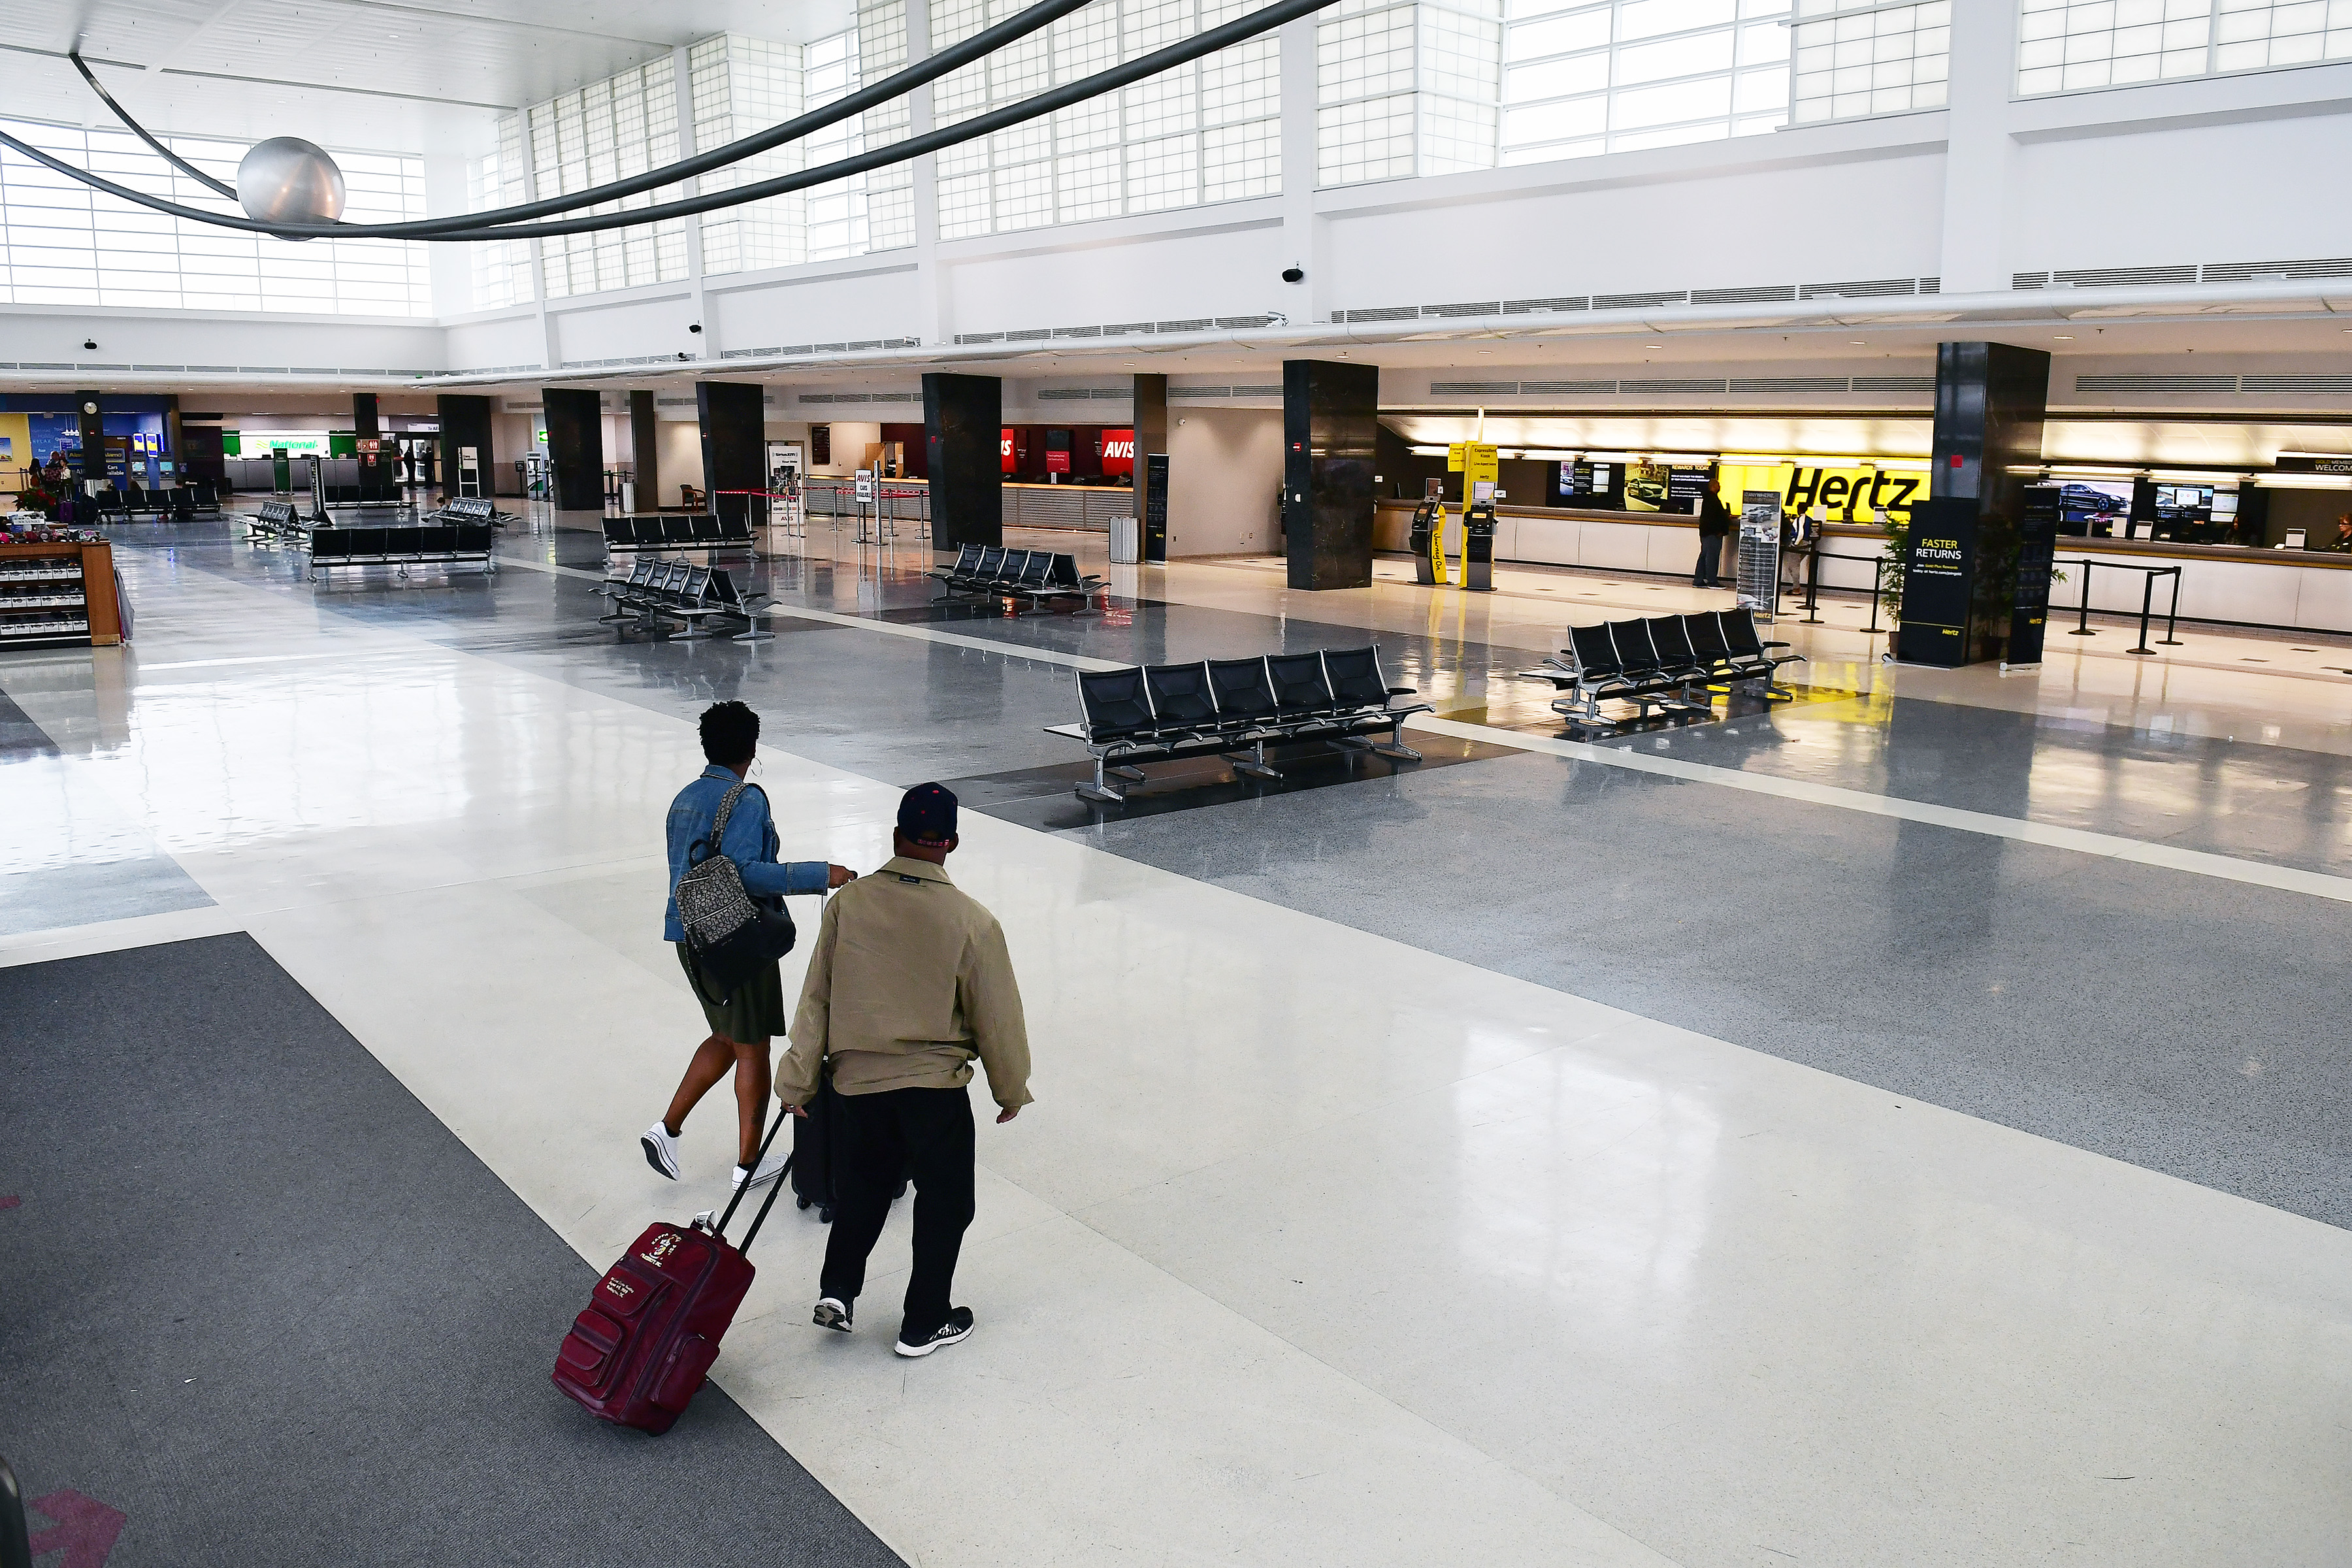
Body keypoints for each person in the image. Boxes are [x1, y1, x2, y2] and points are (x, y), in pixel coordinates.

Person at [779, 782, 1032, 1359]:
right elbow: (997, 1016)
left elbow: (816, 997)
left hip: (858, 1085)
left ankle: (838, 1291)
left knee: (865, 1184)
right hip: (933, 1086)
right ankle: (923, 1321)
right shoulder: (972, 921)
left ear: (895, 837)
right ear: (951, 843)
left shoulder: (850, 903)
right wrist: (1009, 1086)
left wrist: (796, 1080)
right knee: (946, 1200)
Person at [642, 701, 855, 1192]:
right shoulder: (746, 799)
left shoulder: (685, 798)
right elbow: (743, 872)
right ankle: (747, 1164)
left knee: (726, 1037)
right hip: (734, 941)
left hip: (689, 935)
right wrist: (821, 874)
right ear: (752, 747)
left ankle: (666, 1130)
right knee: (753, 1046)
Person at [1693, 487, 1733, 587]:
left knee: (1704, 556)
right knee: (1712, 557)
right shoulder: (1713, 500)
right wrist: (1721, 527)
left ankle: (1698, 580)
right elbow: (1716, 517)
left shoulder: (1708, 499)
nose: (1720, 486)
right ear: (1713, 487)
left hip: (1706, 532)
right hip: (1713, 533)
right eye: (1718, 484)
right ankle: (1712, 581)